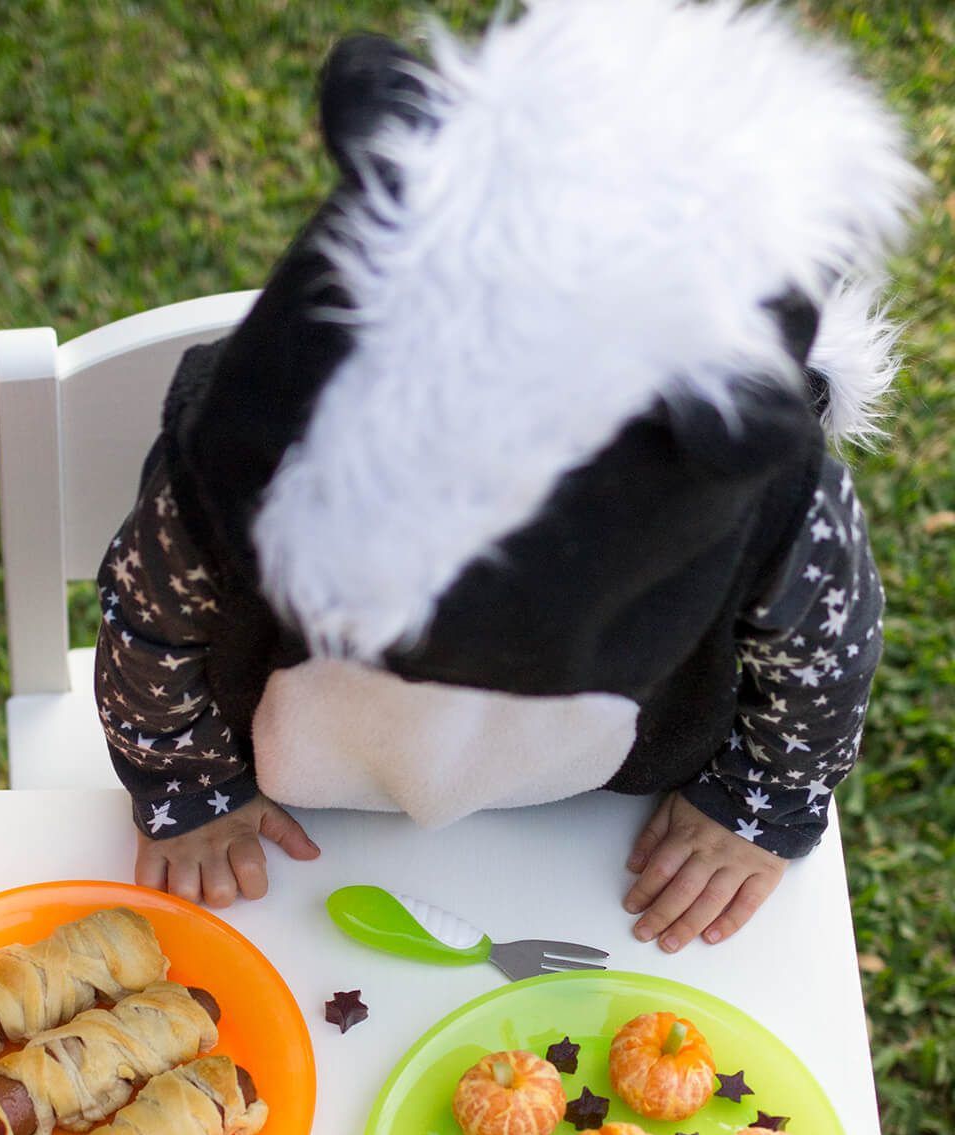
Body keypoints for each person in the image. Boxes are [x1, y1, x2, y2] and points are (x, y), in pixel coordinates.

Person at [94, 0, 916, 951]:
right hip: (298, 791)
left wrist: (758, 805)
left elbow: (825, 653)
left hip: (593, 823)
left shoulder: (769, 500)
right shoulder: (255, 446)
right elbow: (148, 619)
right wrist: (185, 787)